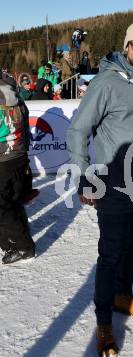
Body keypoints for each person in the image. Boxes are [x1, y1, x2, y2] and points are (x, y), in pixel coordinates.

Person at [67, 20, 133, 356]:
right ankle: (104, 321)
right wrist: (85, 177)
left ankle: (123, 295)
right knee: (110, 255)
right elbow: (78, 131)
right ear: (126, 46)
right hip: (113, 186)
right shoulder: (107, 82)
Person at [0, 72, 36, 264]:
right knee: (13, 202)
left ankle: (22, 246)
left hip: (4, 159)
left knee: (3, 206)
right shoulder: (16, 93)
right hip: (19, 156)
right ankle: (21, 240)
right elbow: (26, 128)